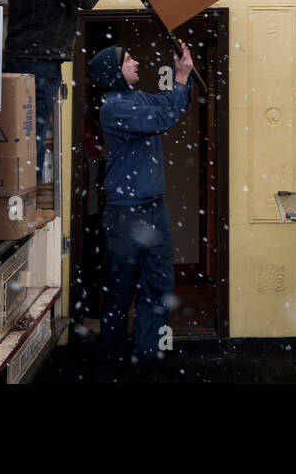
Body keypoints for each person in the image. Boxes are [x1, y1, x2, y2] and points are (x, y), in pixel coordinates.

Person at [88, 40, 194, 365]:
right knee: (120, 290)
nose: (136, 63)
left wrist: (183, 77)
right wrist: (180, 76)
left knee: (158, 287)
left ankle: (148, 359)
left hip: (153, 210)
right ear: (114, 72)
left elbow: (170, 104)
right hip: (125, 213)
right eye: (129, 60)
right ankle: (112, 360)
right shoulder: (115, 107)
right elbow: (162, 117)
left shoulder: (135, 99)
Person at [4, 0, 120, 184]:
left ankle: (19, 198)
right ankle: (25, 203)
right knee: (33, 133)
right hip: (40, 61)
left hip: (20, 56)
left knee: (21, 132)